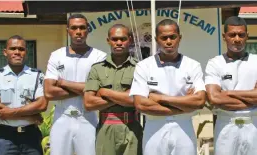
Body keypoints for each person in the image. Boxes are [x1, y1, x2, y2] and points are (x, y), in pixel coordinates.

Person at [129, 19, 206, 155]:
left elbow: (199, 101)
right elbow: (141, 104)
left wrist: (159, 98)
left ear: (179, 38)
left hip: (184, 127)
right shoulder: (144, 66)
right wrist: (185, 104)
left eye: (173, 37)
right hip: (154, 127)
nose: (169, 41)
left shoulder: (192, 65)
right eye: (164, 38)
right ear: (156, 39)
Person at [204, 16, 257, 155]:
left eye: (241, 35)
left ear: (247, 36)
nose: (237, 39)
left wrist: (228, 93)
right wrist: (254, 96)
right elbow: (214, 98)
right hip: (226, 125)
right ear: (224, 37)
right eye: (232, 35)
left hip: (252, 125)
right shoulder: (215, 63)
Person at [44, 14, 107, 155]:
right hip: (62, 117)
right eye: (74, 28)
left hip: (88, 117)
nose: (78, 31)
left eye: (82, 27)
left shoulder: (99, 57)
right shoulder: (57, 55)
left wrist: (62, 83)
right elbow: (48, 92)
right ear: (68, 30)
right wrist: (86, 89)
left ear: (88, 30)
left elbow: (100, 91)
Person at [83, 24, 142, 155]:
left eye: (123, 39)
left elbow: (138, 101)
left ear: (130, 40)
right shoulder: (97, 69)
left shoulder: (140, 68)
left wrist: (105, 93)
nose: (119, 43)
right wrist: (124, 97)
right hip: (105, 129)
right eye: (115, 39)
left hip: (131, 128)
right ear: (108, 40)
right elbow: (88, 103)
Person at [0, 35, 48, 155]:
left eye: (21, 49)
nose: (17, 52)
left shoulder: (37, 76)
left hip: (31, 137)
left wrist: (9, 112)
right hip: (5, 137)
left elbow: (42, 105)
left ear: (26, 52)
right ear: (5, 52)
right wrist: (32, 117)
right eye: (13, 48)